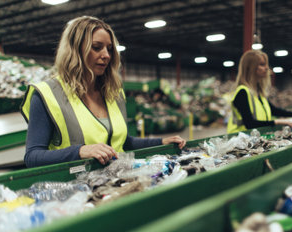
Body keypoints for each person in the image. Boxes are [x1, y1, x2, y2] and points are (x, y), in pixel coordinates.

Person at [21, 16, 186, 168]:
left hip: (115, 182)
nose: (106, 55)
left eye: (109, 49)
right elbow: (33, 157)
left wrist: (162, 141)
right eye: (96, 47)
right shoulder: (47, 94)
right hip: (74, 190)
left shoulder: (114, 93)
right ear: (75, 50)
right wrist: (80, 151)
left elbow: (123, 142)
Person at [227, 50, 292, 134]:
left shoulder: (258, 92)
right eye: (262, 64)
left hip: (254, 136)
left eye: (266, 64)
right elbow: (249, 123)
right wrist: (277, 122)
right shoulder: (242, 92)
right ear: (250, 68)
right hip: (239, 139)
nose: (266, 68)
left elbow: (273, 110)